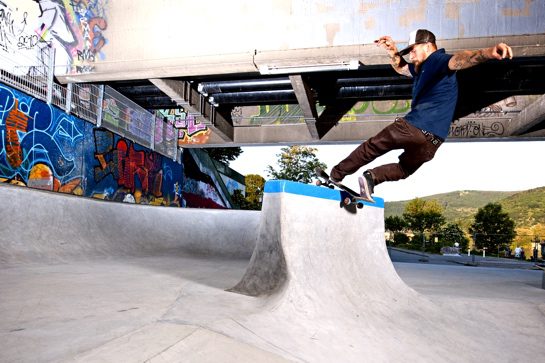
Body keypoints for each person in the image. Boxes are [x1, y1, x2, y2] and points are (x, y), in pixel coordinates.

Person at [329, 29, 513, 200]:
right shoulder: (421, 70)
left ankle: (335, 176)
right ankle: (372, 178)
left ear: (427, 46)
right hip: (432, 142)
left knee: (372, 147)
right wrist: (393, 51)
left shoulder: (436, 60)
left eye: (413, 49)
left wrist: (489, 52)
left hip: (413, 127)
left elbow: (460, 59)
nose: (411, 55)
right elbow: (401, 68)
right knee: (404, 169)